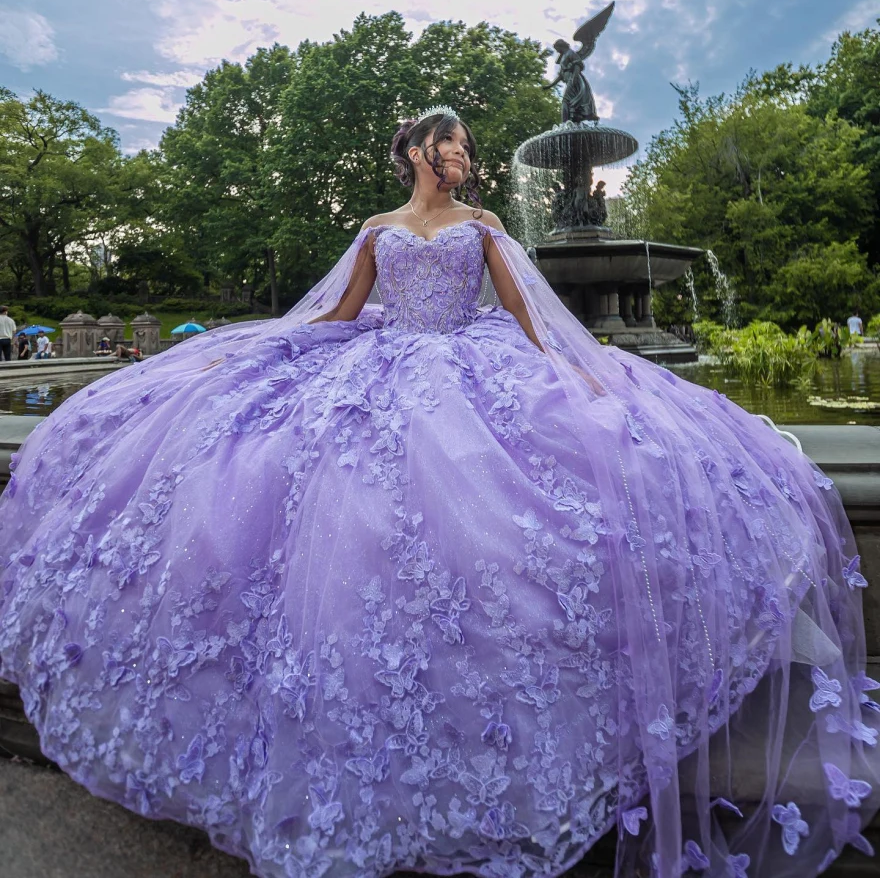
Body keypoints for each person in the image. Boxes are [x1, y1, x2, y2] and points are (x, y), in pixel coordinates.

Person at [0, 107, 877, 878]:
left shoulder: (486, 224)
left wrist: (580, 370)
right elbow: (340, 315)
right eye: (452, 142)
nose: (463, 153)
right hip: (384, 361)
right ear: (421, 149)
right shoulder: (377, 227)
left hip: (468, 363)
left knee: (512, 518)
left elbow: (525, 313)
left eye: (465, 145)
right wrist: (259, 345)